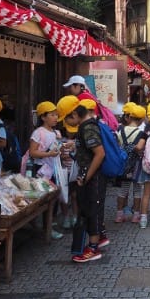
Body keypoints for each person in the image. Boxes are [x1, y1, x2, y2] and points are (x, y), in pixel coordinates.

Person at [59, 95, 108, 263]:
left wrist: (86, 176)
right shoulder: (87, 126)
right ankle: (96, 241)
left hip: (92, 177)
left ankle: (93, 248)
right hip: (89, 175)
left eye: (67, 119)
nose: (67, 123)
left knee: (91, 209)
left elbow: (99, 153)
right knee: (88, 209)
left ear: (74, 114)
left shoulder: (88, 128)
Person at [27, 101, 64, 240]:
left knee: (53, 199)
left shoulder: (56, 133)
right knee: (42, 200)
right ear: (43, 117)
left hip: (54, 170)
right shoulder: (38, 133)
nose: (55, 118)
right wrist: (49, 154)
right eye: (52, 115)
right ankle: (43, 227)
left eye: (56, 115)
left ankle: (49, 226)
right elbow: (33, 152)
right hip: (41, 171)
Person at [115, 105, 146, 224]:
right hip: (137, 166)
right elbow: (139, 148)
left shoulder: (120, 130)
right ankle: (136, 215)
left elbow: (117, 146)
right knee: (137, 190)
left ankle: (119, 215)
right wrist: (134, 147)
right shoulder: (142, 133)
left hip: (123, 165)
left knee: (123, 190)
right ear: (141, 119)